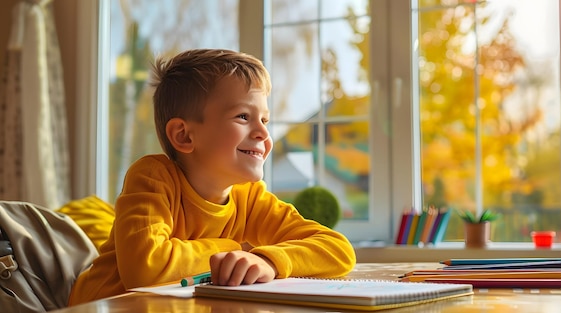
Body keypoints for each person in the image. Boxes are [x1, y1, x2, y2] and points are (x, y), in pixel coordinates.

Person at [68, 49, 356, 305]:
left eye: (265, 119)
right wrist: (234, 248)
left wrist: (268, 260)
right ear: (184, 135)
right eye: (243, 116)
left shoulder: (250, 198)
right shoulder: (153, 178)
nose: (263, 133)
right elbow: (146, 269)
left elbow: (338, 250)